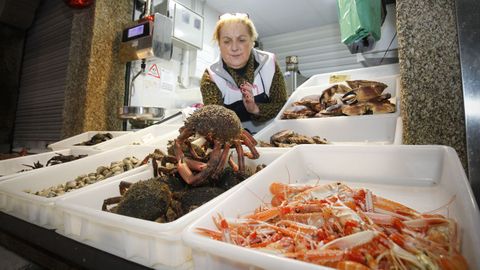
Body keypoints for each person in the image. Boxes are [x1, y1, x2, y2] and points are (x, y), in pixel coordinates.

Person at [200, 13, 287, 133]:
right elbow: (215, 120)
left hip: (272, 134)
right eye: (227, 41)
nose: (234, 47)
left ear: (252, 41)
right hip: (231, 139)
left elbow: (282, 106)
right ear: (219, 44)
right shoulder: (211, 76)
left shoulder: (269, 64)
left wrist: (255, 108)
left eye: (241, 40)